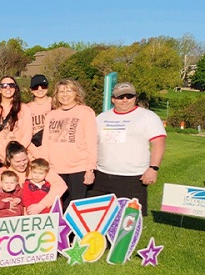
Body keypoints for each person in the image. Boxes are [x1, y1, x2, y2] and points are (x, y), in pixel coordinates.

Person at [91, 81, 166, 216]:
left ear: (135, 98)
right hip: (101, 176)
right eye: (120, 97)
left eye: (129, 96)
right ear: (113, 99)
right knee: (97, 219)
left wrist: (153, 168)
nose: (125, 100)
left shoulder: (148, 116)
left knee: (128, 223)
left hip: (133, 178)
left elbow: (158, 144)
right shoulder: (101, 117)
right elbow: (92, 144)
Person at [39, 79, 97, 207]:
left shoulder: (85, 112)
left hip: (78, 168)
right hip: (55, 169)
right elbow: (46, 143)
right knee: (58, 206)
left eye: (69, 91)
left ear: (76, 93)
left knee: (76, 206)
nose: (65, 95)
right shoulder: (51, 115)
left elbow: (91, 142)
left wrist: (90, 169)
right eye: (61, 91)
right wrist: (44, 166)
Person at [0, 142, 66, 214]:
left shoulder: (36, 167)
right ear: (9, 160)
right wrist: (0, 203)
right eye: (17, 161)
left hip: (43, 212)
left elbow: (60, 185)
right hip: (15, 217)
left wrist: (42, 205)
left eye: (25, 160)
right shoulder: (2, 173)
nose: (22, 164)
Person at [0, 76, 32, 166]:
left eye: (11, 85)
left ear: (15, 88)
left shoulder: (24, 108)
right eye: (4, 85)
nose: (8, 88)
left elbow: (27, 134)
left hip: (17, 158)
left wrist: (16, 154)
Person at [28, 74, 53, 148]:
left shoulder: (56, 104)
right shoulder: (27, 108)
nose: (40, 89)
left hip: (53, 146)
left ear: (48, 88)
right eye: (36, 87)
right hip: (35, 147)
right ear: (31, 90)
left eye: (43, 86)